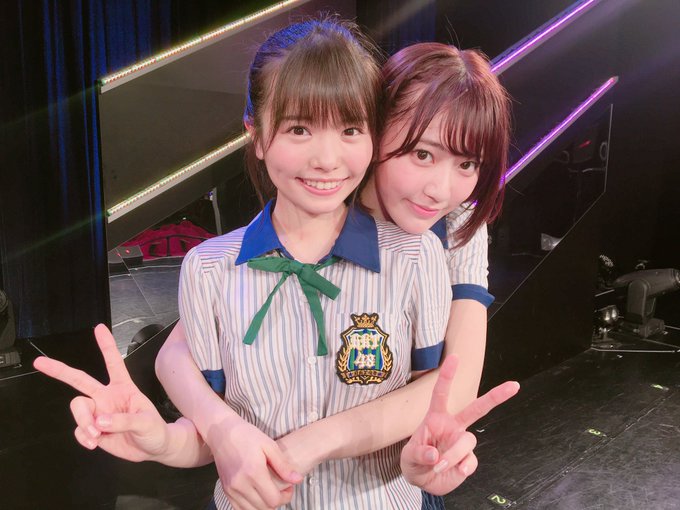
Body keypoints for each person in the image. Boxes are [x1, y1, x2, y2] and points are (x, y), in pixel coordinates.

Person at [35, 17, 519, 510]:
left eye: (467, 163)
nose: (439, 189)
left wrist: (309, 445)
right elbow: (180, 354)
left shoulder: (446, 233)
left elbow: (452, 386)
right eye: (421, 153)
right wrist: (207, 433)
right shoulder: (260, 237)